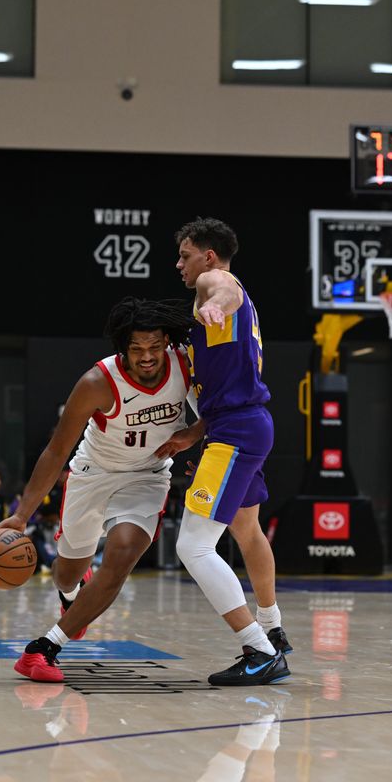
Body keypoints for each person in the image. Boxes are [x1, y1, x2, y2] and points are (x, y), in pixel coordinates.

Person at [0, 298, 199, 683]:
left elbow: (221, 410)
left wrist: (193, 432)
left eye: (155, 347)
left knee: (122, 555)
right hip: (93, 474)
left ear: (166, 344)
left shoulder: (184, 365)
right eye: (137, 349)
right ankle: (72, 594)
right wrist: (22, 515)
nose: (147, 357)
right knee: (66, 574)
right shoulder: (97, 383)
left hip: (147, 475)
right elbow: (57, 450)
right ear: (122, 349)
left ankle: (43, 649)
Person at [163, 216, 290, 686]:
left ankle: (259, 651)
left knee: (193, 545)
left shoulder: (217, 284)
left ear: (208, 256)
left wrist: (213, 303)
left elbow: (224, 290)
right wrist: (195, 433)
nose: (180, 264)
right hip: (239, 425)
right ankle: (273, 628)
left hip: (237, 433)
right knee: (247, 529)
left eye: (185, 255)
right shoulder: (231, 301)